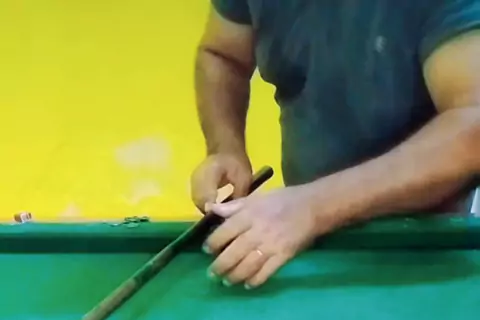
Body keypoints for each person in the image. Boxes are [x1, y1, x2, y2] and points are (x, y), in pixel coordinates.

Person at [191, 0, 480, 289]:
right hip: (308, 242)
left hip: (430, 247)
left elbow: (472, 125)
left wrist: (312, 207)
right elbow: (222, 56)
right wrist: (225, 148)